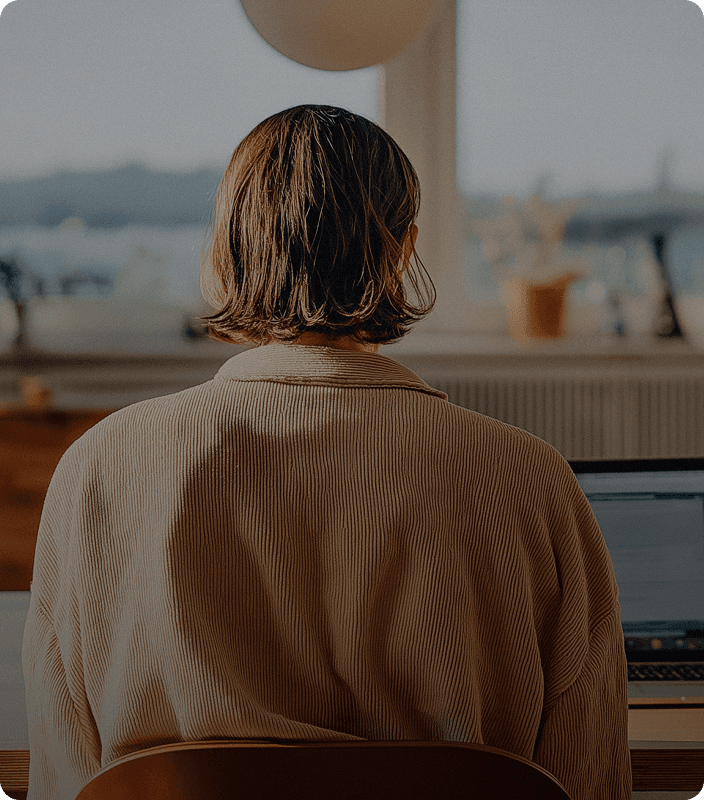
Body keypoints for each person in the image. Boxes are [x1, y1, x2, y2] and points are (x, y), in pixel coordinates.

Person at [23, 105, 631, 800]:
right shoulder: (531, 478)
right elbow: (591, 780)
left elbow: (64, 778)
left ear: (223, 252)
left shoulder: (99, 469)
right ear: (403, 252)